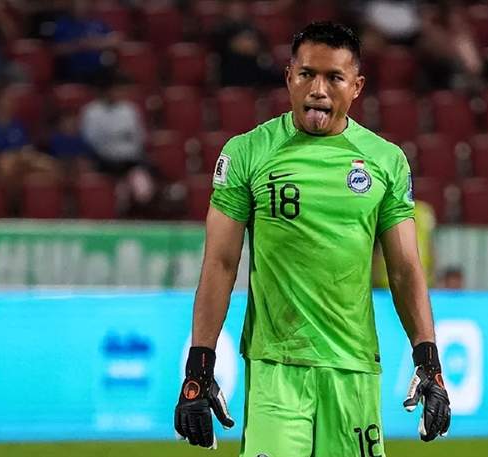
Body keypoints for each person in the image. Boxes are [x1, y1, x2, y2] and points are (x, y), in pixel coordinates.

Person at [174, 22, 451, 455]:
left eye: (334, 77)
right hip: (275, 366)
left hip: (353, 368)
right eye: (307, 74)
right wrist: (199, 366)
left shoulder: (386, 162)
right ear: (289, 77)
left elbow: (404, 269)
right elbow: (220, 264)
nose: (318, 90)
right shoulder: (247, 152)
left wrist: (428, 361)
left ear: (356, 86)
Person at [79, 74, 155, 216]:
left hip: (129, 162)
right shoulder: (92, 111)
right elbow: (90, 140)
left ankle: (139, 217)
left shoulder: (130, 110)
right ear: (107, 90)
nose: (120, 93)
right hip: (103, 163)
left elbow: (140, 138)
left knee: (144, 190)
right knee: (118, 196)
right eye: (117, 90)